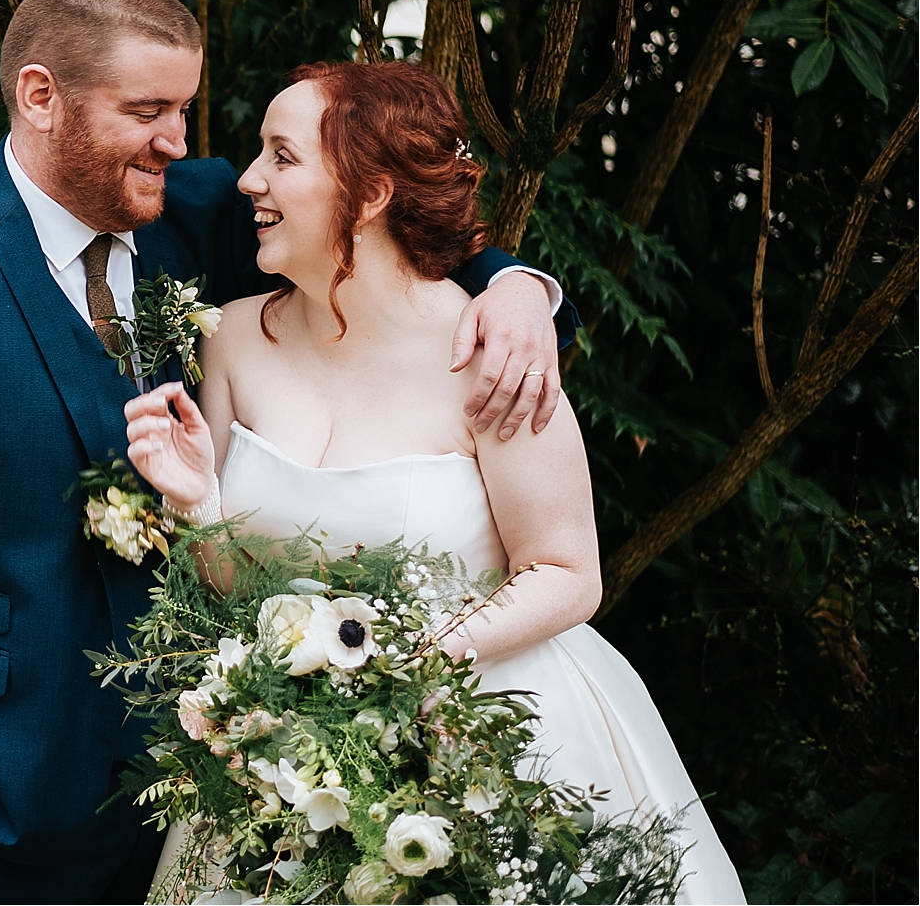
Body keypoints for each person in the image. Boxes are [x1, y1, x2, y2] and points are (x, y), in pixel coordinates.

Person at [0, 0, 577, 903]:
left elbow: (385, 228)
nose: (178, 141)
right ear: (41, 95)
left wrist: (521, 289)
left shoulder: (194, 213)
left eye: (185, 108)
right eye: (148, 110)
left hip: (216, 792)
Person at [122, 59, 744, 904]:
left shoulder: (495, 358)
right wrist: (194, 502)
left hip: (485, 735)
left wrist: (397, 670)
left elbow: (567, 573)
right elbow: (229, 586)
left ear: (371, 194)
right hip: (290, 754)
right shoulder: (228, 339)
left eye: (282, 155)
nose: (248, 179)